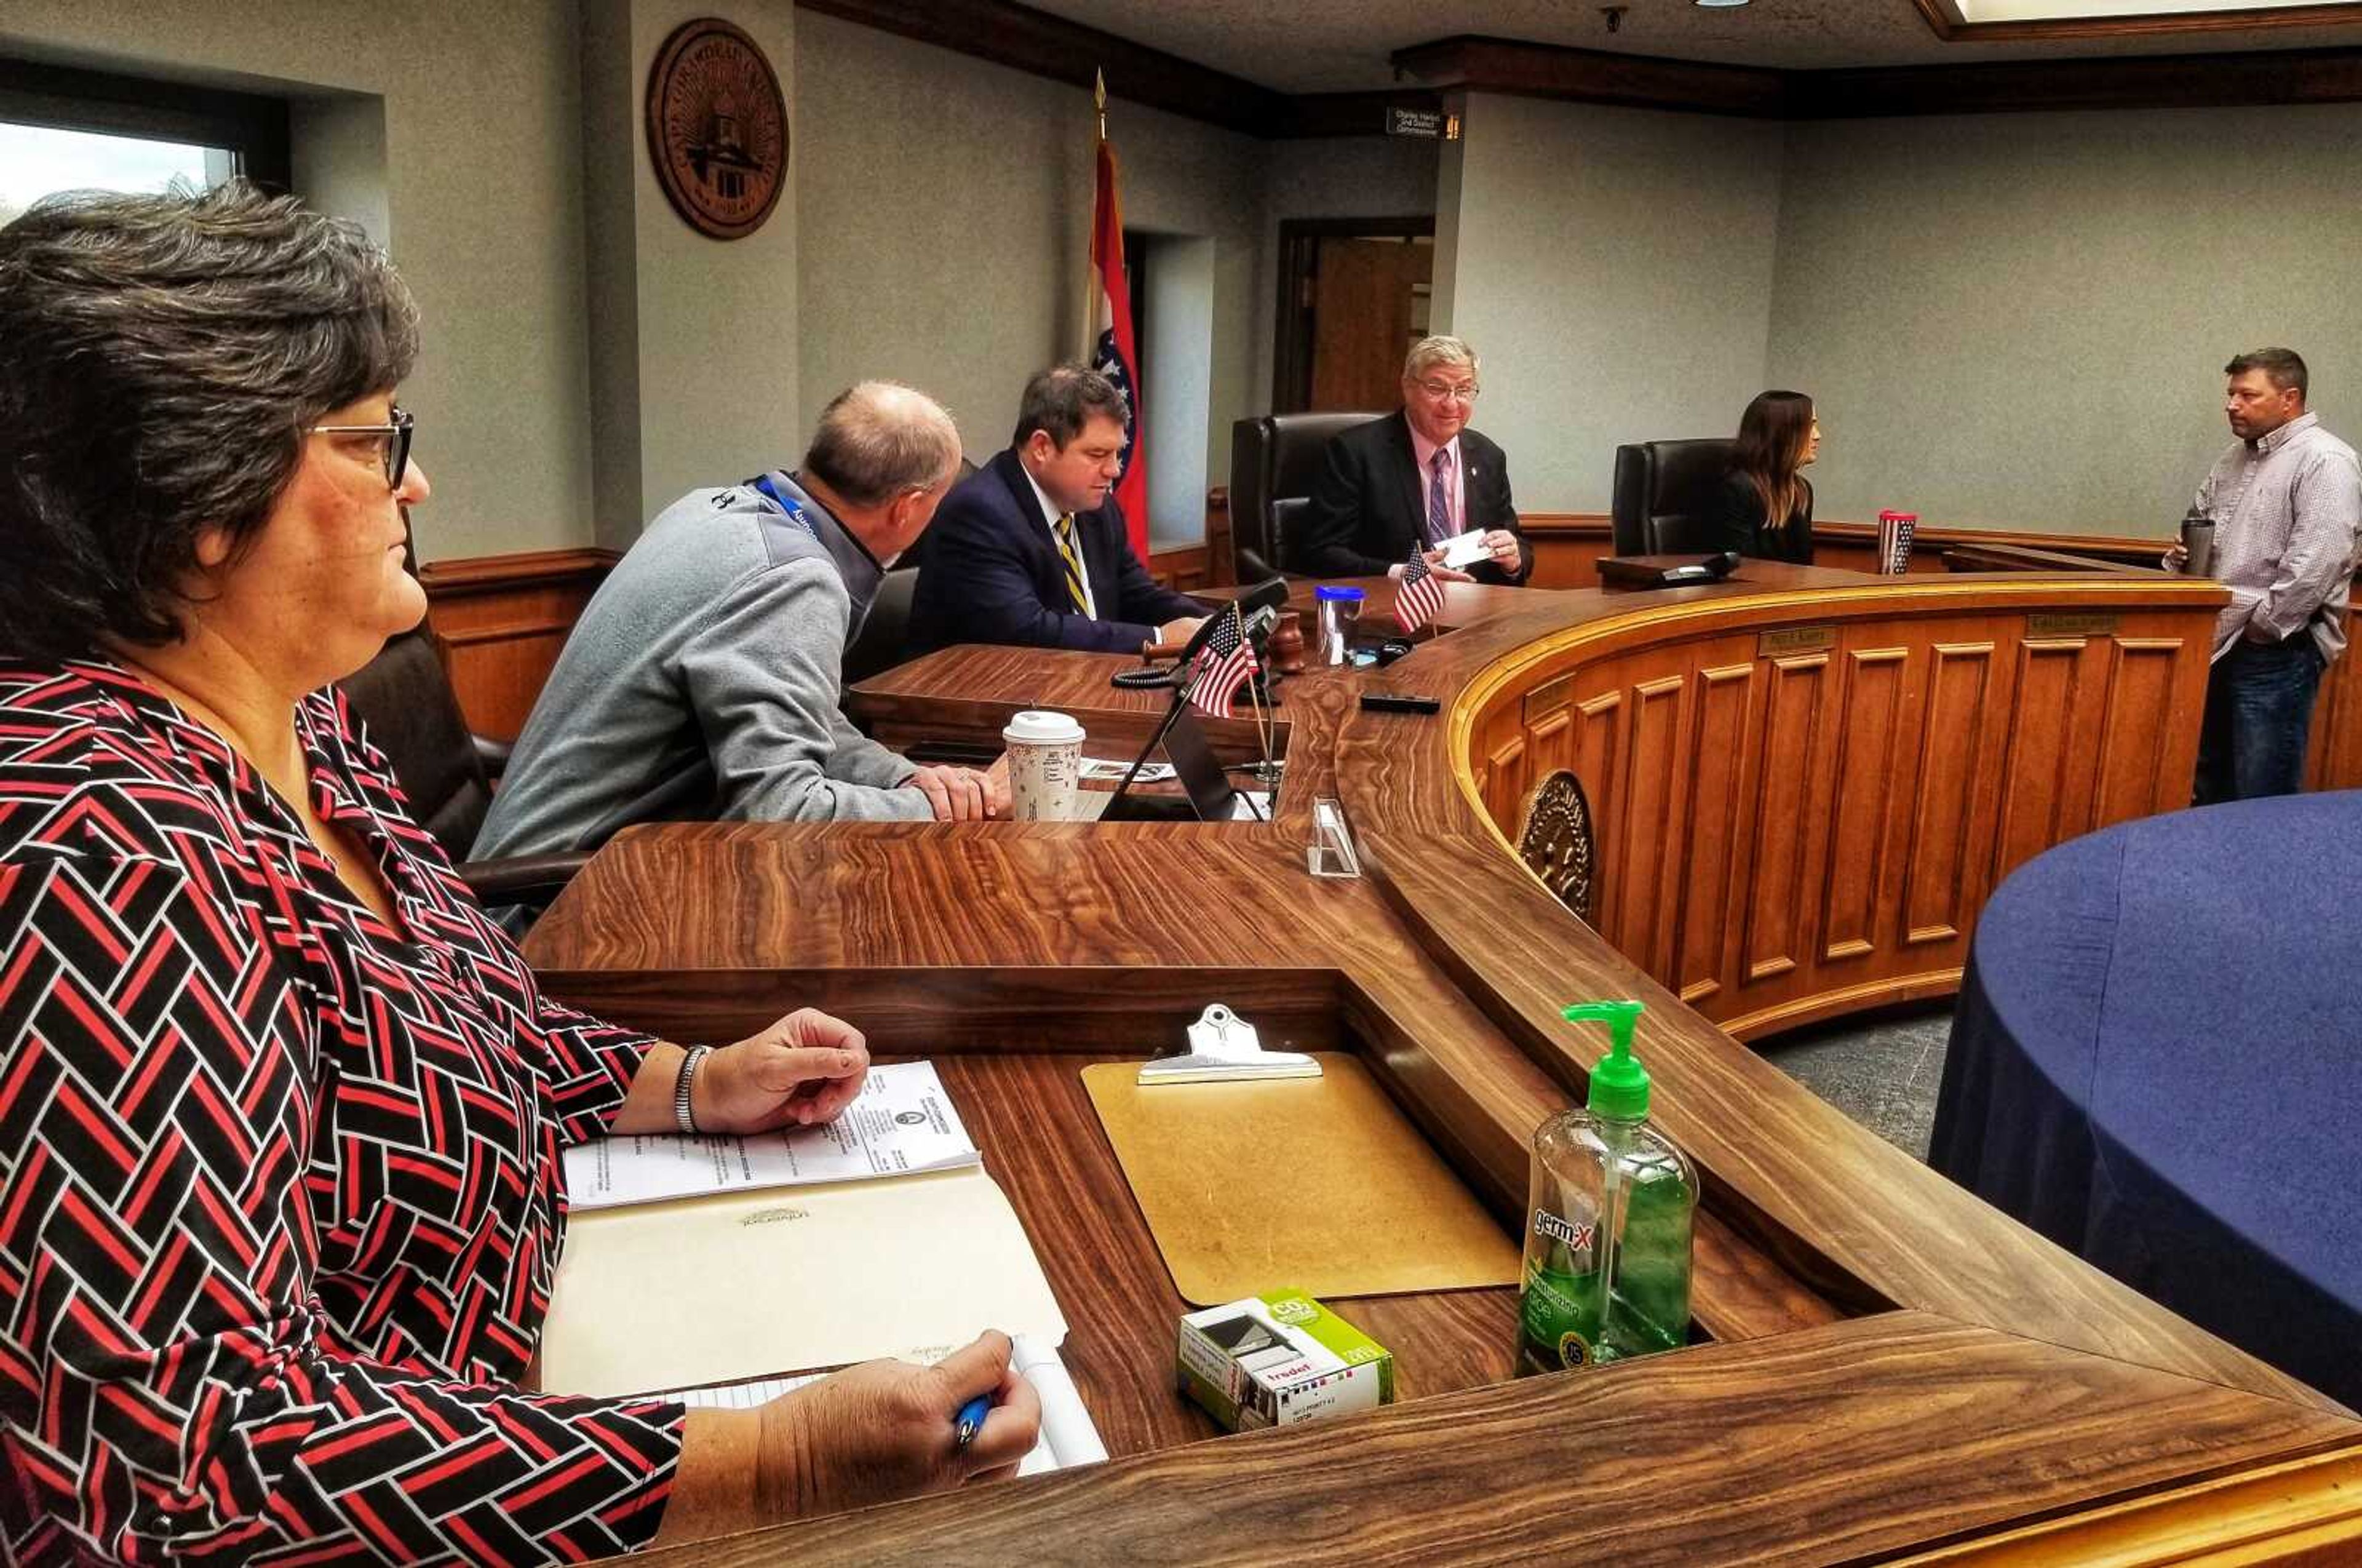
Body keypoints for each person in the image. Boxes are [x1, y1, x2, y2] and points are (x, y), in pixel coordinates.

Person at [0, 184, 1038, 1564]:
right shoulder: (91, 846)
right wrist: (774, 1458)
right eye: (374, 440)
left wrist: (688, 1077)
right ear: (202, 496)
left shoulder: (300, 715)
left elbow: (473, 1014)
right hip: (500, 1473)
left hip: (575, 1296)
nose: (414, 480)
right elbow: (180, 1473)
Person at [473, 381, 1006, 865]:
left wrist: (903, 777)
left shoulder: (710, 509)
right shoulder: (796, 582)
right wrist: (938, 813)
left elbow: (796, 716)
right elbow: (784, 815)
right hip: (563, 902)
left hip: (537, 864)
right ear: (908, 509)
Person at [2162, 348, 2362, 803]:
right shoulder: (2233, 459)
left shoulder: (2325, 460)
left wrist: (2264, 628)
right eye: (2231, 393)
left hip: (2276, 650)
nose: (2232, 404)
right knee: (2207, 786)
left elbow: (2320, 558)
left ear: (2289, 399)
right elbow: (2198, 524)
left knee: (2261, 793)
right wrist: (2181, 556)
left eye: (2248, 395)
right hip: (2216, 642)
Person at [908, 364, 1207, 655]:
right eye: (1097, 454)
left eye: (1116, 454)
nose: (1114, 470)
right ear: (1042, 447)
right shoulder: (980, 514)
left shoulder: (1098, 509)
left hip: (1075, 685)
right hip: (978, 694)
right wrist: (1159, 637)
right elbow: (1027, 632)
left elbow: (1136, 595)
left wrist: (1211, 625)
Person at [1295, 335, 1531, 586]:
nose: (1451, 403)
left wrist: (1514, 561)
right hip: (1388, 610)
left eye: (1464, 390)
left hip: (1475, 608)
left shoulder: (1488, 456)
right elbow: (1320, 552)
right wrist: (1401, 572)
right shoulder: (1355, 453)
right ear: (1407, 387)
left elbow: (1518, 545)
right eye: (1436, 388)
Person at [1704, 391, 1819, 564]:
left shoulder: (1801, 490)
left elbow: (1803, 566)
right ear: (1783, 433)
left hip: (1789, 589)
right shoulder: (1735, 489)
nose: (1818, 436)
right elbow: (1740, 568)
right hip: (1746, 589)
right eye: (1809, 427)